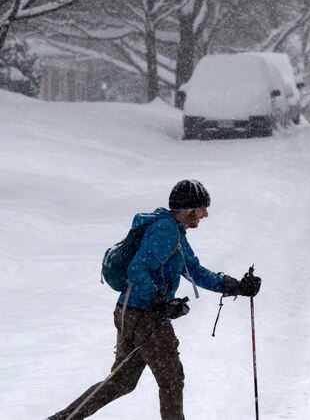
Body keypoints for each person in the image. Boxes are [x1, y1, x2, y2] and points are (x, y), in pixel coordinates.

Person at [49, 179, 262, 420]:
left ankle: (63, 418)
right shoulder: (166, 231)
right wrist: (159, 300)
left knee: (122, 380)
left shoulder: (174, 231)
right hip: (145, 316)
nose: (205, 214)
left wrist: (236, 286)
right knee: (171, 379)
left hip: (130, 311)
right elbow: (137, 268)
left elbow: (194, 270)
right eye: (202, 208)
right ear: (189, 208)